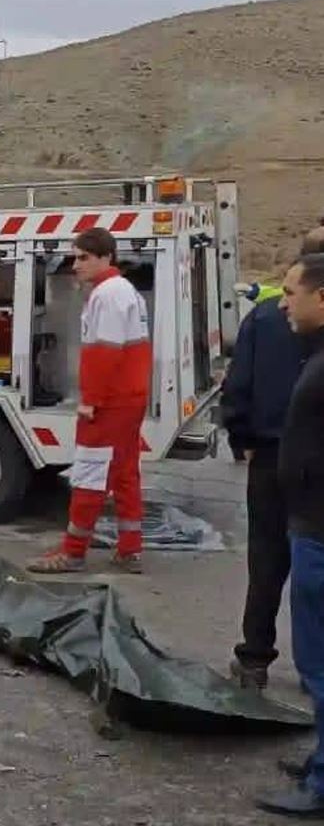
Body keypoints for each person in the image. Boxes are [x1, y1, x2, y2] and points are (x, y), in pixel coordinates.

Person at [225, 227, 324, 689]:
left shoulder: (264, 319)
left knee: (267, 560)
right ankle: (314, 669)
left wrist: (241, 437)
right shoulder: (283, 318)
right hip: (309, 466)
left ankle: (255, 658)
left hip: (269, 456)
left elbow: (237, 385)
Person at [29, 227, 151, 574]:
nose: (75, 265)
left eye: (83, 257)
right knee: (126, 472)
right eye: (75, 257)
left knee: (89, 473)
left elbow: (106, 352)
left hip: (111, 402)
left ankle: (73, 551)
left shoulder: (107, 295)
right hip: (128, 399)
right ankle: (129, 549)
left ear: (105, 258)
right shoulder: (122, 291)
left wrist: (91, 400)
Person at [256, 252, 324, 818]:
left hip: (320, 533)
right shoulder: (316, 353)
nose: (283, 302)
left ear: (321, 298)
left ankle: (322, 784)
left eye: (291, 292)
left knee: (322, 663)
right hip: (309, 526)